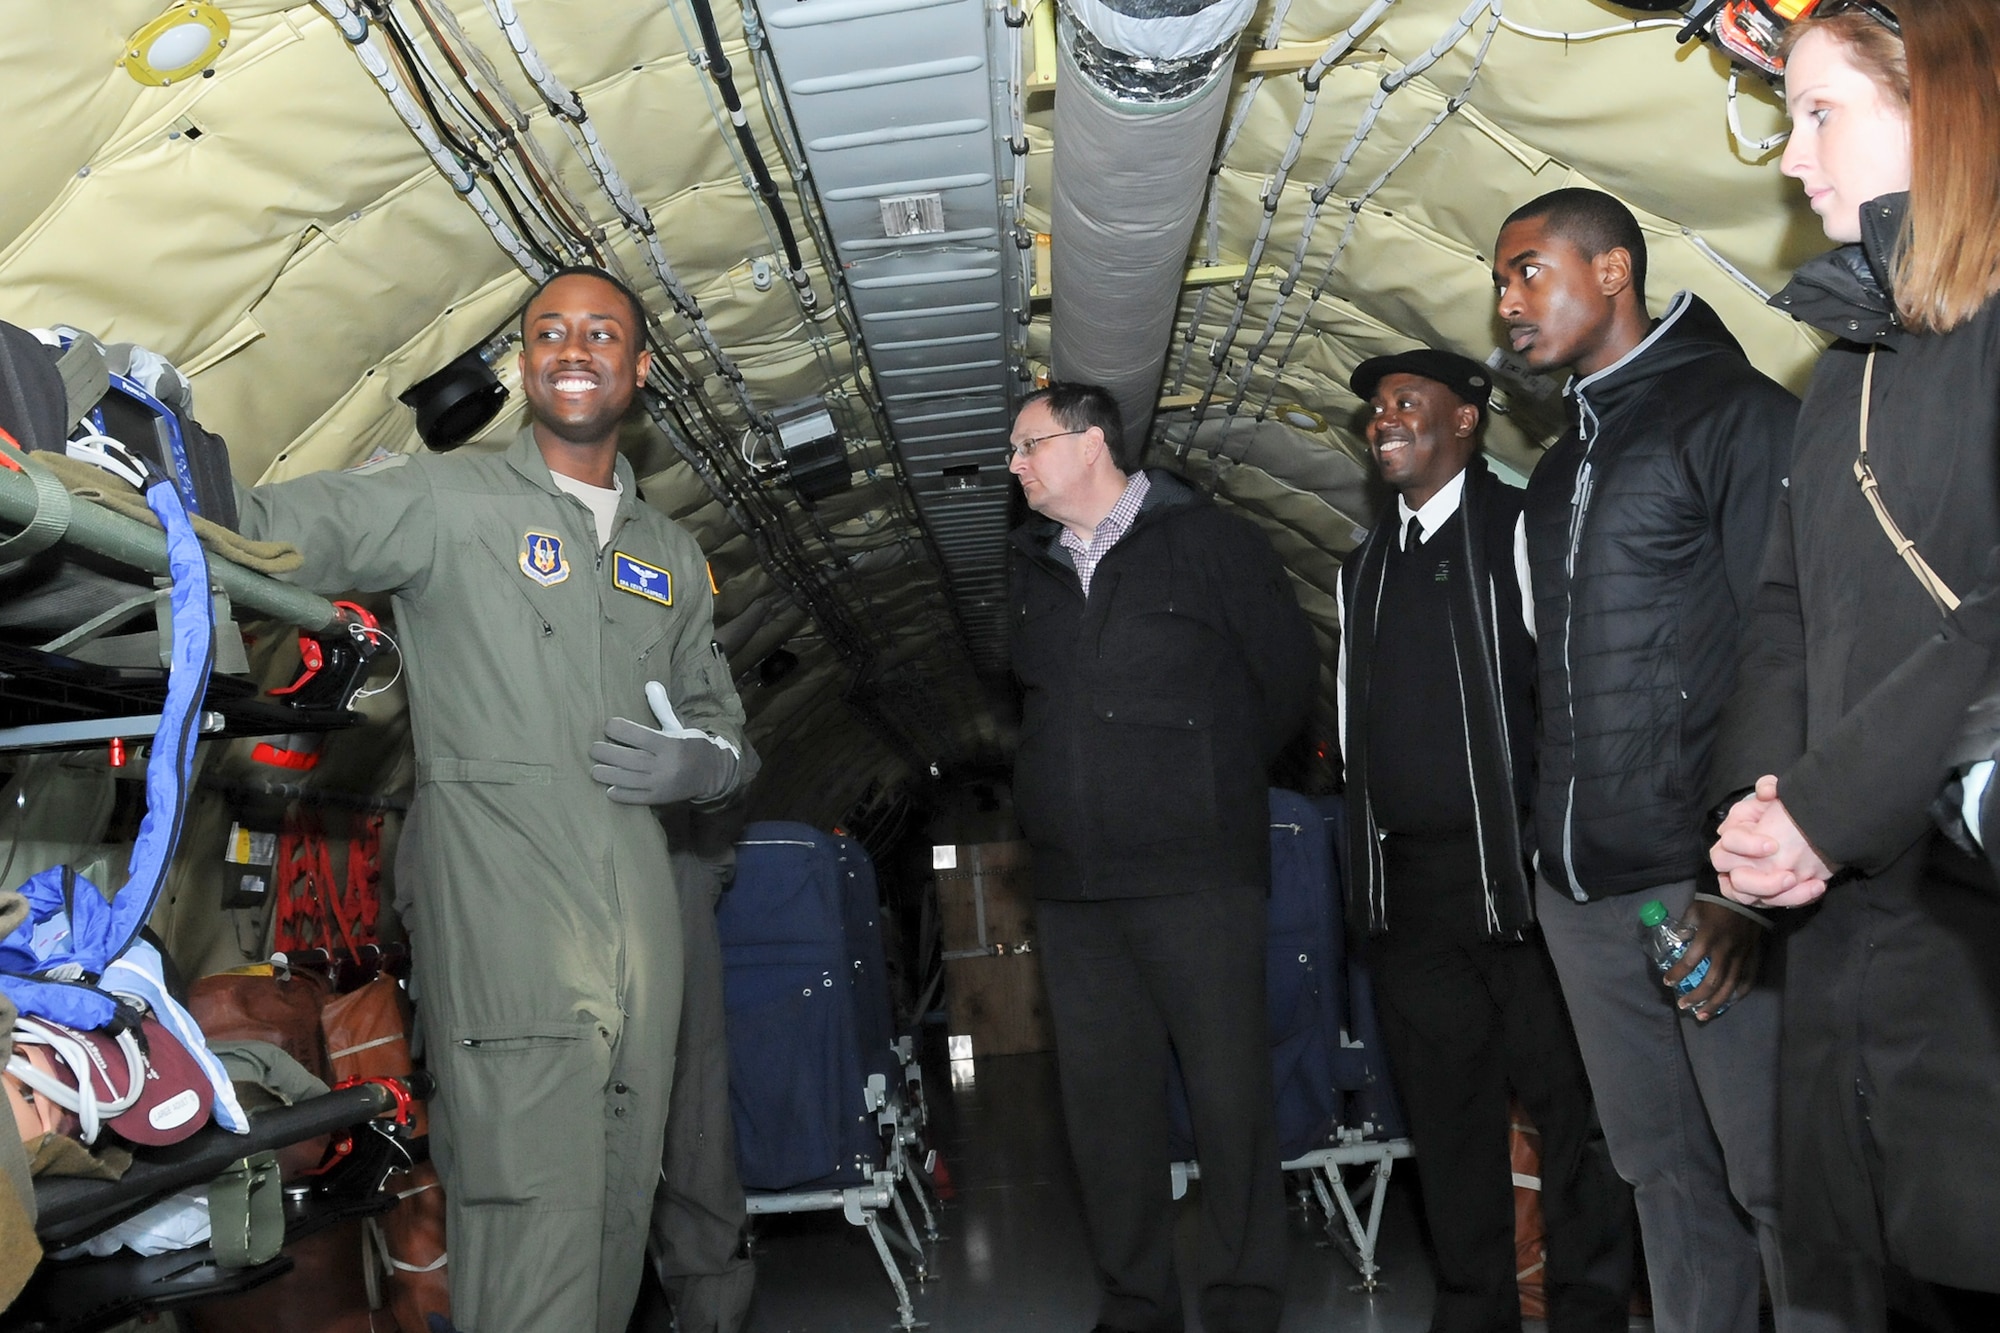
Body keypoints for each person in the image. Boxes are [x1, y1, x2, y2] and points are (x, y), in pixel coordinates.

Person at [237, 266, 756, 1333]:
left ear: (640, 369)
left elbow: (728, 727)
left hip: (642, 924)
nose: (573, 347)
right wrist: (135, 482)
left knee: (619, 1210)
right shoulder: (445, 502)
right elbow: (272, 525)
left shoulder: (667, 551)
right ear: (523, 366)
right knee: (529, 1217)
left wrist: (701, 766)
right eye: (549, 332)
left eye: (601, 333)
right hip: (511, 912)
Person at [1708, 1, 2000, 1325]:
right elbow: (1783, 606)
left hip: (1967, 905)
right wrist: (1765, 802)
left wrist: (1828, 808)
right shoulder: (1844, 366)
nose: (1789, 155)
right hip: (1851, 913)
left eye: (1821, 111)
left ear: (1944, 110)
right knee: (1879, 1265)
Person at [1490, 189, 1803, 1333]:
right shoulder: (1559, 466)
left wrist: (1740, 892)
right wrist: (1544, 857)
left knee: (1775, 1181)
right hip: (1586, 894)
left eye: (1529, 272)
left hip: (1702, 881)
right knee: (1661, 1175)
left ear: (1612, 269)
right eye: (1499, 283)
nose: (1507, 303)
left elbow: (1791, 643)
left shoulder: (1730, 415)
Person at [1005, 381, 1316, 1333]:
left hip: (1196, 872)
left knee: (1228, 1095)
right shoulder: (1031, 569)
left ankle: (1243, 1295)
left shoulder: (1211, 543)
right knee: (1105, 1113)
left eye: (1027, 446)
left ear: (1091, 441)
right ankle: (1136, 1301)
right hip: (1074, 886)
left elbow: (1285, 682)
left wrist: (1200, 786)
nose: (1014, 468)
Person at [1335, 347, 1634, 1333]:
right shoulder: (1359, 573)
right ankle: (1473, 1312)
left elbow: (1569, 696)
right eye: (1375, 408)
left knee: (1570, 1114)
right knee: (1448, 1122)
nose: (1382, 419)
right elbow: (1351, 739)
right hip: (1412, 899)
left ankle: (1589, 1307)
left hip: (1521, 882)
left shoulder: (1516, 531)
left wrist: (1562, 849)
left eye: (1405, 402)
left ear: (1465, 418)